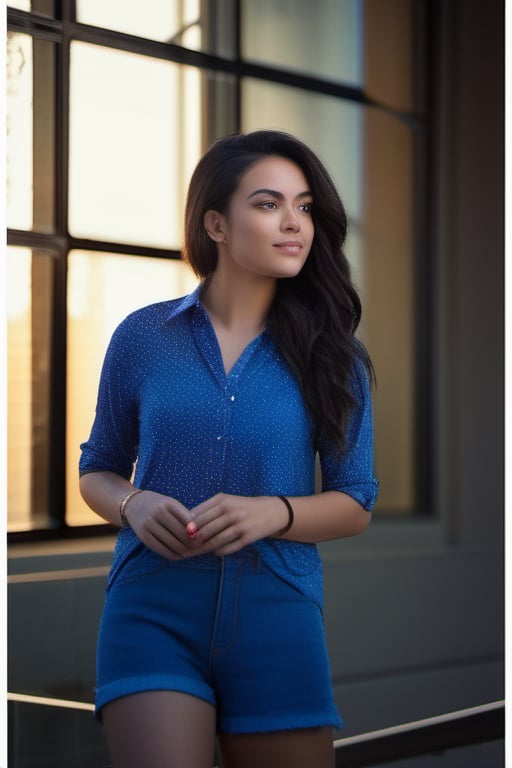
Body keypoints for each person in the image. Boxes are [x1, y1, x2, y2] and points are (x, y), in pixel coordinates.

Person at [79, 129, 378, 768]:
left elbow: (356, 501)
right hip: (151, 608)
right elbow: (96, 468)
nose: (293, 223)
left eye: (304, 207)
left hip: (279, 611)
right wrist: (131, 504)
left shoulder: (335, 358)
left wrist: (275, 511)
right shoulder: (142, 337)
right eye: (268, 204)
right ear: (215, 222)